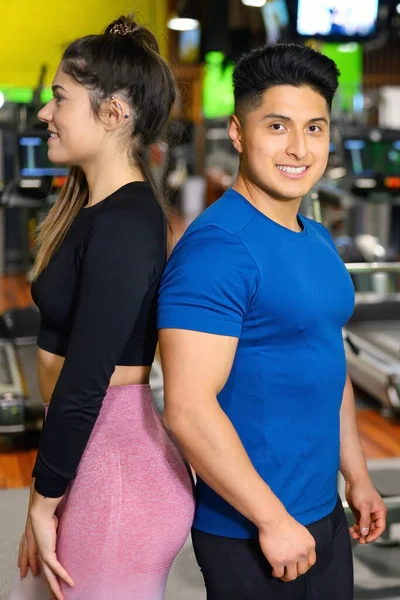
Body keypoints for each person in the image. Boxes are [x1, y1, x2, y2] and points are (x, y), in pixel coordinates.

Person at [157, 44, 387, 600]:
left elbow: (325, 359)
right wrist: (270, 519)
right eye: (277, 126)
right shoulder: (217, 248)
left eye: (315, 127)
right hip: (250, 527)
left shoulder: (317, 237)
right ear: (238, 132)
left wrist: (355, 472)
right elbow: (187, 409)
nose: (299, 148)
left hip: (321, 511)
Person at [8, 15, 194, 600]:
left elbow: (86, 380)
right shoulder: (99, 212)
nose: (45, 113)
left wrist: (43, 499)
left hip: (114, 475)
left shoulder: (126, 224)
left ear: (113, 113)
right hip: (89, 461)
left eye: (59, 98)